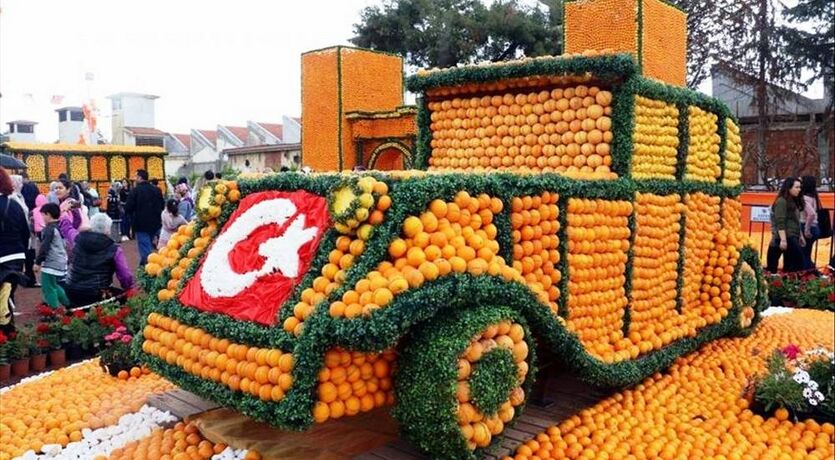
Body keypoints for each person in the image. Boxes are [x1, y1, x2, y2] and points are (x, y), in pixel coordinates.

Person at [58, 213, 134, 307]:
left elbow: (67, 229)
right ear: (108, 230)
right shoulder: (114, 249)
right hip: (97, 293)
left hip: (72, 290)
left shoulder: (77, 238)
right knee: (122, 298)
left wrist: (65, 214)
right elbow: (125, 274)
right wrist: (128, 287)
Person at [0, 167, 30, 333]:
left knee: (4, 298)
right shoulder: (14, 204)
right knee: (7, 296)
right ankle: (8, 334)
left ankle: (7, 335)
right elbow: (25, 233)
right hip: (15, 256)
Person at [125, 169, 165, 266]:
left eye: (136, 177)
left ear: (139, 178)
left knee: (145, 249)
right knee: (149, 246)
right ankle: (145, 266)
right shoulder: (157, 190)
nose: (134, 179)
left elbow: (128, 207)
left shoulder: (135, 191)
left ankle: (149, 269)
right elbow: (162, 205)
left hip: (140, 224)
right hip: (155, 223)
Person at [34, 203, 70, 308]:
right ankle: (69, 304)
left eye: (43, 215)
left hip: (51, 262)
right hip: (61, 260)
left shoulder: (49, 229)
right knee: (55, 285)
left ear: (48, 215)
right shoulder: (60, 226)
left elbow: (45, 246)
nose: (42, 218)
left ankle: (53, 311)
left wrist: (38, 262)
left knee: (48, 287)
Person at [766, 177, 806, 273]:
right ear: (789, 188)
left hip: (793, 235)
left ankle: (788, 283)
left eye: (799, 187)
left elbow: (795, 221)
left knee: (792, 264)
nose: (799, 190)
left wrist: (800, 235)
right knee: (796, 262)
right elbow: (780, 221)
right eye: (796, 187)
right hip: (785, 237)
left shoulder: (793, 201)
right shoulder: (781, 201)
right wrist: (783, 240)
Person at [799, 176, 821, 271]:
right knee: (807, 252)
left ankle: (808, 271)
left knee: (803, 252)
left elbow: (811, 214)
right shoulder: (813, 197)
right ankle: (810, 269)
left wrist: (806, 229)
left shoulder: (804, 198)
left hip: (807, 226)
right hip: (815, 226)